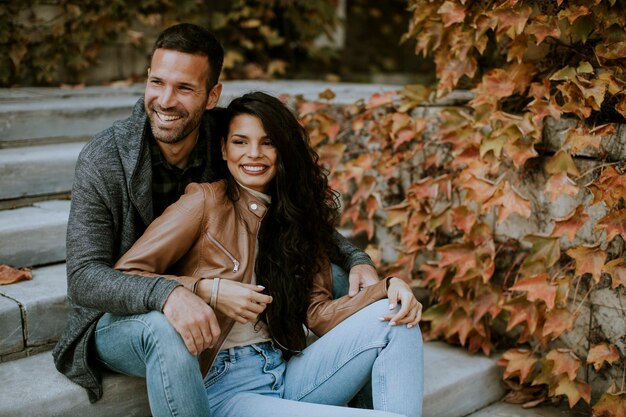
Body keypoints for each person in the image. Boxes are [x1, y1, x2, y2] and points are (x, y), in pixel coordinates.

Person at [52, 22, 379, 411]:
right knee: (164, 326)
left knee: (342, 281)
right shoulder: (105, 159)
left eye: (185, 88)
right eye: (157, 82)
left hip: (207, 290)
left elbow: (291, 210)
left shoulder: (225, 137)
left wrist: (356, 258)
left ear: (212, 95)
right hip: (124, 312)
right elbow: (85, 278)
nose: (165, 100)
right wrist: (171, 292)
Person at [113, 91, 424, 417]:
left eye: (267, 143)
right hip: (226, 388)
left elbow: (318, 313)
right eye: (240, 142)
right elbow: (127, 274)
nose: (253, 154)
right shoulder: (203, 202)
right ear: (223, 149)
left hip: (286, 372)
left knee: (398, 319)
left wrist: (388, 287)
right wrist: (206, 290)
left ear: (283, 149)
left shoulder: (297, 216)